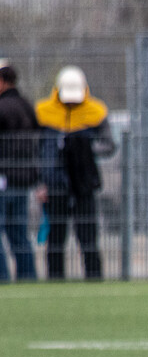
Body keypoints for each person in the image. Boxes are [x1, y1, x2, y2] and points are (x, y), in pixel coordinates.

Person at [35, 65, 115, 280]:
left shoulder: (96, 111)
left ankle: (94, 278)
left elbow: (109, 145)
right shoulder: (43, 113)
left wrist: (85, 150)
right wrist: (40, 182)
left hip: (83, 183)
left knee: (88, 234)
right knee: (56, 236)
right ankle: (55, 279)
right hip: (55, 184)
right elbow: (35, 149)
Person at [0, 60, 39, 281]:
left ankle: (3, 277)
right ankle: (28, 277)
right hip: (24, 178)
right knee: (19, 233)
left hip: (4, 178)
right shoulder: (27, 106)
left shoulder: (2, 107)